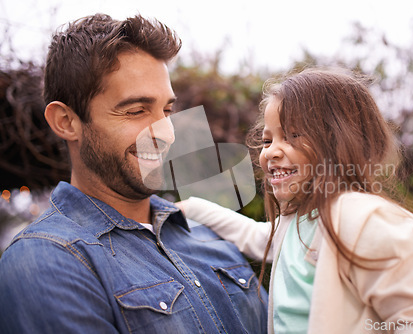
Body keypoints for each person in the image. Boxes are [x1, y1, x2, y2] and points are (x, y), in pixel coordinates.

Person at [0, 14, 267, 333]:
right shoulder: (46, 260)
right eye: (136, 111)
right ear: (66, 121)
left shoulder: (208, 233)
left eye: (167, 111)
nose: (166, 133)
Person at [180, 68, 413, 333]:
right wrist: (191, 208)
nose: (270, 152)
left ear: (341, 140)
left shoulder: (364, 219)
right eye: (267, 140)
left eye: (293, 136)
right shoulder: (296, 221)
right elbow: (255, 235)